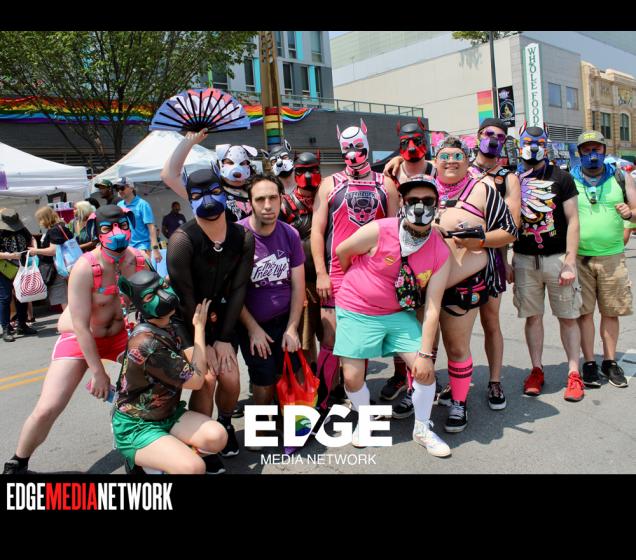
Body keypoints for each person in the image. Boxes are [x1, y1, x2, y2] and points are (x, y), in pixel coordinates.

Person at [3, 205, 149, 474]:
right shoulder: (85, 266)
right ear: (96, 231)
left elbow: (153, 305)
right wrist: (99, 372)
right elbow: (80, 325)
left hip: (121, 337)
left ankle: (137, 450)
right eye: (107, 228)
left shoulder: (139, 260)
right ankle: (17, 463)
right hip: (82, 337)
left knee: (152, 385)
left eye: (122, 225)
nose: (117, 233)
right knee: (48, 407)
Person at [334, 176, 452, 455]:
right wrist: (357, 281)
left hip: (398, 314)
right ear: (402, 202)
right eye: (413, 200)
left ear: (437, 205)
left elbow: (432, 306)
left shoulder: (440, 251)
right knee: (351, 377)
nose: (420, 207)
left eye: (428, 201)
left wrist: (425, 355)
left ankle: (422, 429)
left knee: (424, 371)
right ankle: (366, 418)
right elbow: (342, 252)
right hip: (357, 309)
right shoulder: (379, 230)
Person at [162, 132, 255, 471]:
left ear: (223, 191)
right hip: (186, 320)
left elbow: (239, 288)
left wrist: (225, 338)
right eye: (198, 195)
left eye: (214, 191)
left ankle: (225, 424)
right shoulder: (182, 241)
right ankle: (200, 442)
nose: (208, 200)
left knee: (230, 376)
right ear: (189, 198)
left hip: (220, 316)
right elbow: (186, 299)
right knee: (206, 377)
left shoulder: (242, 236)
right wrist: (204, 342)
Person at [311, 119, 399, 409]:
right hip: (336, 274)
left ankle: (358, 396)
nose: (353, 152)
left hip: (372, 276)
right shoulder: (329, 184)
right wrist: (321, 273)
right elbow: (317, 232)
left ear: (367, 145)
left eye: (358, 146)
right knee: (330, 339)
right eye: (347, 147)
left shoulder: (386, 184)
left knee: (361, 340)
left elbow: (394, 231)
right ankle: (323, 401)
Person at [433, 136, 517, 433]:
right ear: (435, 161)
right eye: (444, 156)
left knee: (457, 345)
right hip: (422, 284)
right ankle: (421, 397)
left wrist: (479, 240)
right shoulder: (422, 187)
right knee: (422, 347)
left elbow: (509, 230)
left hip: (462, 282)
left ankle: (459, 401)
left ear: (467, 160)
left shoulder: (483, 189)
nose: (451, 161)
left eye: (457, 156)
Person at [113, 272, 228, 474]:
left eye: (163, 286)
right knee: (194, 468)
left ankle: (166, 453)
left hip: (168, 414)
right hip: (138, 425)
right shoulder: (147, 343)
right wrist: (199, 328)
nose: (164, 296)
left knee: (217, 437)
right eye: (151, 296)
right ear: (140, 305)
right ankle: (141, 464)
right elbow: (197, 380)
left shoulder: (168, 324)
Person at [510, 124, 584, 402]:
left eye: (539, 142)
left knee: (568, 317)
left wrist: (570, 261)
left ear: (547, 145)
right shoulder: (513, 179)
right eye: (528, 142)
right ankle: (536, 369)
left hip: (557, 259)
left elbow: (573, 220)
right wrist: (507, 260)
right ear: (519, 145)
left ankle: (574, 373)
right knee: (533, 317)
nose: (533, 147)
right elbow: (504, 220)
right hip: (524, 259)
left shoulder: (562, 177)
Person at [237, 174, 305, 448]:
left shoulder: (290, 234)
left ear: (281, 199)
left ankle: (287, 421)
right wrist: (253, 329)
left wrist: (292, 328)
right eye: (260, 199)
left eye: (273, 198)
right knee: (263, 379)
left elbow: (298, 285)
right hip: (253, 324)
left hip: (285, 319)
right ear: (250, 203)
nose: (268, 205)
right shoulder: (238, 236)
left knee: (290, 373)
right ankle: (259, 432)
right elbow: (232, 293)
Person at [572, 130, 636, 389]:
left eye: (596, 149)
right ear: (579, 153)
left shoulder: (621, 177)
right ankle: (589, 363)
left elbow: (635, 211)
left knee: (611, 312)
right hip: (579, 257)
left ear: (604, 150)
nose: (592, 154)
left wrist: (629, 215)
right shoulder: (569, 179)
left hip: (612, 257)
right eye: (586, 149)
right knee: (584, 313)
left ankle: (609, 362)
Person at [378, 119, 435, 405]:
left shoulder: (437, 169)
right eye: (405, 143)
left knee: (429, 317)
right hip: (399, 255)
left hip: (432, 252)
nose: (412, 147)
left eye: (417, 140)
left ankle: (427, 373)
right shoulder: (390, 173)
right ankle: (402, 374)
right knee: (401, 317)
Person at [467, 118, 521, 410]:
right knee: (455, 324)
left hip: (491, 257)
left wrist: (505, 258)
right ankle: (457, 380)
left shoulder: (507, 178)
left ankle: (495, 381)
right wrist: (397, 160)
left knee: (491, 321)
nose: (494, 140)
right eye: (489, 134)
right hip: (459, 257)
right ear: (478, 136)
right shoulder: (461, 168)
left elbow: (512, 223)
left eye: (500, 136)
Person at [279, 151, 323, 366]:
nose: (307, 175)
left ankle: (334, 380)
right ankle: (311, 378)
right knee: (305, 338)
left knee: (333, 335)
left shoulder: (328, 198)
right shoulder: (284, 205)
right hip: (302, 280)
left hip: (330, 277)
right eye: (302, 170)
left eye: (313, 170)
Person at [0, 208, 37, 342]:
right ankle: (6, 328)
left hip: (21, 267)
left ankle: (22, 324)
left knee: (23, 295)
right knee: (5, 298)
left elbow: (31, 238)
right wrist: (9, 255)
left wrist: (34, 248)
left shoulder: (22, 229)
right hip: (3, 269)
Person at [30, 206, 74, 311]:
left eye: (40, 219)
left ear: (45, 218)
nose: (40, 223)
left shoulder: (54, 230)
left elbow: (53, 250)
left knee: (62, 296)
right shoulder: (62, 227)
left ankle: (69, 319)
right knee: (71, 293)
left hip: (59, 267)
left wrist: (36, 251)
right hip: (70, 264)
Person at [115, 177, 162, 263]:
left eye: (122, 188)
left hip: (142, 247)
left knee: (143, 271)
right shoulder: (119, 205)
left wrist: (155, 249)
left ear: (131, 188)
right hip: (126, 249)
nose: (119, 191)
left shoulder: (143, 204)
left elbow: (151, 227)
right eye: (117, 188)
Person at [216, 143, 258, 222]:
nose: (237, 171)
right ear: (220, 165)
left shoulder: (256, 191)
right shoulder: (215, 194)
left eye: (242, 163)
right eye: (230, 163)